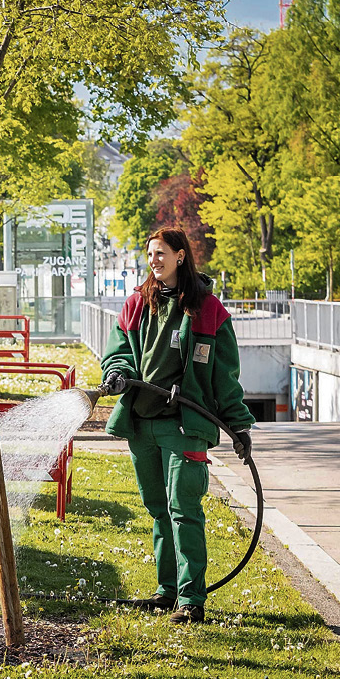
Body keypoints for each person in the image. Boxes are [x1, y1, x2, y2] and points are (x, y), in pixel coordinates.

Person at [100, 226, 254, 625]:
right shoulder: (137, 304)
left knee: (183, 509)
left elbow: (225, 377)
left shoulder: (208, 310)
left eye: (161, 253)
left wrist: (239, 426)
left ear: (180, 256)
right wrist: (117, 372)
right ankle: (166, 592)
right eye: (150, 254)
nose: (154, 260)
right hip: (142, 424)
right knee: (157, 509)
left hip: (185, 425)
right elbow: (118, 352)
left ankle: (191, 601)